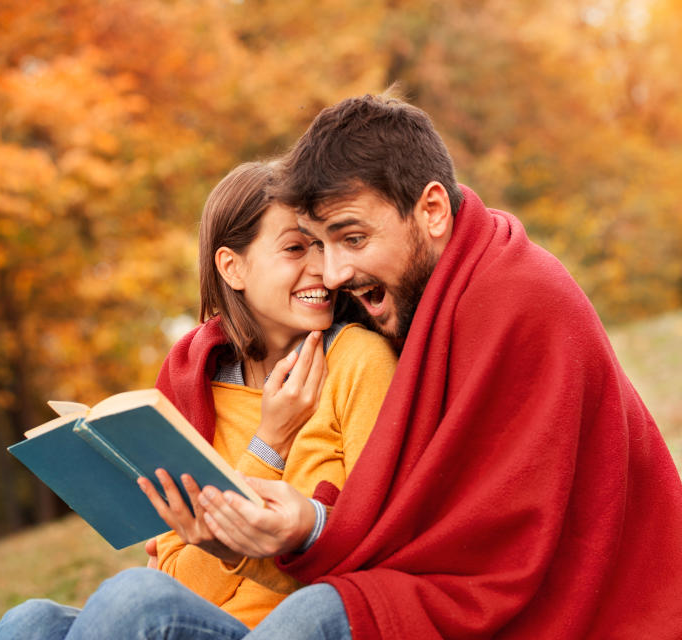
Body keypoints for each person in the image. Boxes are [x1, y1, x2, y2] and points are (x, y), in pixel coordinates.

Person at [195, 94, 682, 638]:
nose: (331, 274)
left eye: (352, 239)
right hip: (413, 579)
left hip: (582, 607)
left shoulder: (520, 298)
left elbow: (493, 542)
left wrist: (312, 528)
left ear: (431, 210)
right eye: (318, 246)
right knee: (129, 602)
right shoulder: (407, 292)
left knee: (320, 616)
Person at [0, 162, 398, 639]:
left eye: (322, 246)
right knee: (30, 620)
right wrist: (269, 444)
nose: (322, 268)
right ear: (232, 266)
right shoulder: (193, 387)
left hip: (303, 625)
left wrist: (250, 494)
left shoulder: (359, 361)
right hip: (206, 625)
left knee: (133, 599)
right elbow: (176, 580)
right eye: (295, 248)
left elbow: (375, 546)